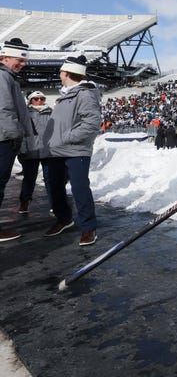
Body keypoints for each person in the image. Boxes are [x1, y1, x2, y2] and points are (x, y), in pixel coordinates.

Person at [42, 55, 102, 246]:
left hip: (76, 151)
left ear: (66, 73)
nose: (59, 73)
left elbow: (92, 123)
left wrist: (67, 138)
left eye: (60, 70)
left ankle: (88, 228)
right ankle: (64, 218)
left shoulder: (84, 94)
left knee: (79, 188)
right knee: (54, 186)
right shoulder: (64, 96)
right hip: (57, 151)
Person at [0, 38, 33, 241]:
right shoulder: (3, 77)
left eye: (24, 61)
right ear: (4, 57)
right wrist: (15, 135)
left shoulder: (8, 77)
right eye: (18, 59)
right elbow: (4, 109)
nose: (22, 64)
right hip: (4, 138)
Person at [17, 91, 53, 214]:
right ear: (30, 100)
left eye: (42, 98)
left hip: (47, 151)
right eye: (36, 99)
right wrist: (22, 149)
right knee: (29, 178)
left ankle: (55, 203)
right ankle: (24, 201)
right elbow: (20, 132)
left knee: (50, 179)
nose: (39, 101)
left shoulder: (51, 112)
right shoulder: (24, 113)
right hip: (31, 151)